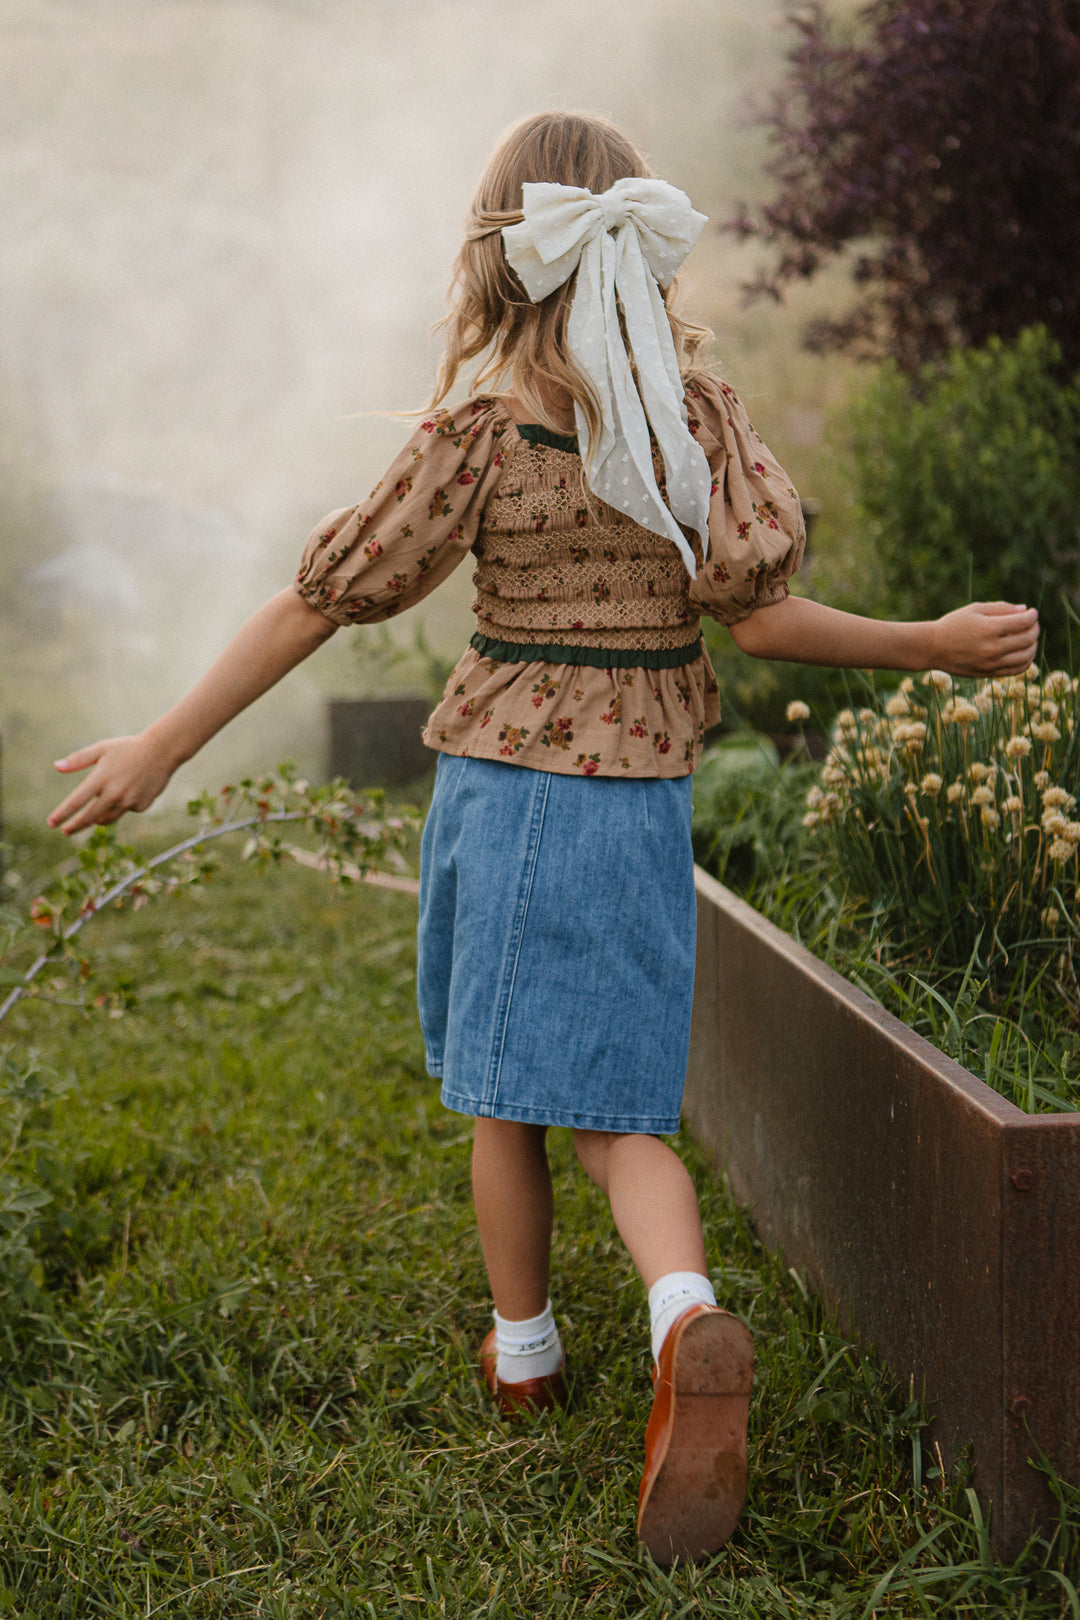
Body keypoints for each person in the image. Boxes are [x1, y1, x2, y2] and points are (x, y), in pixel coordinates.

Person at [47, 111, 1039, 1565]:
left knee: (504, 1092)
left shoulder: (484, 428)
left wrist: (163, 745)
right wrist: (929, 646)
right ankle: (686, 1311)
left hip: (512, 797)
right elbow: (759, 617)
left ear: (498, 249)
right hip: (645, 798)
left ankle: (525, 1354)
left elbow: (321, 600)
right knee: (620, 1114)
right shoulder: (695, 422)